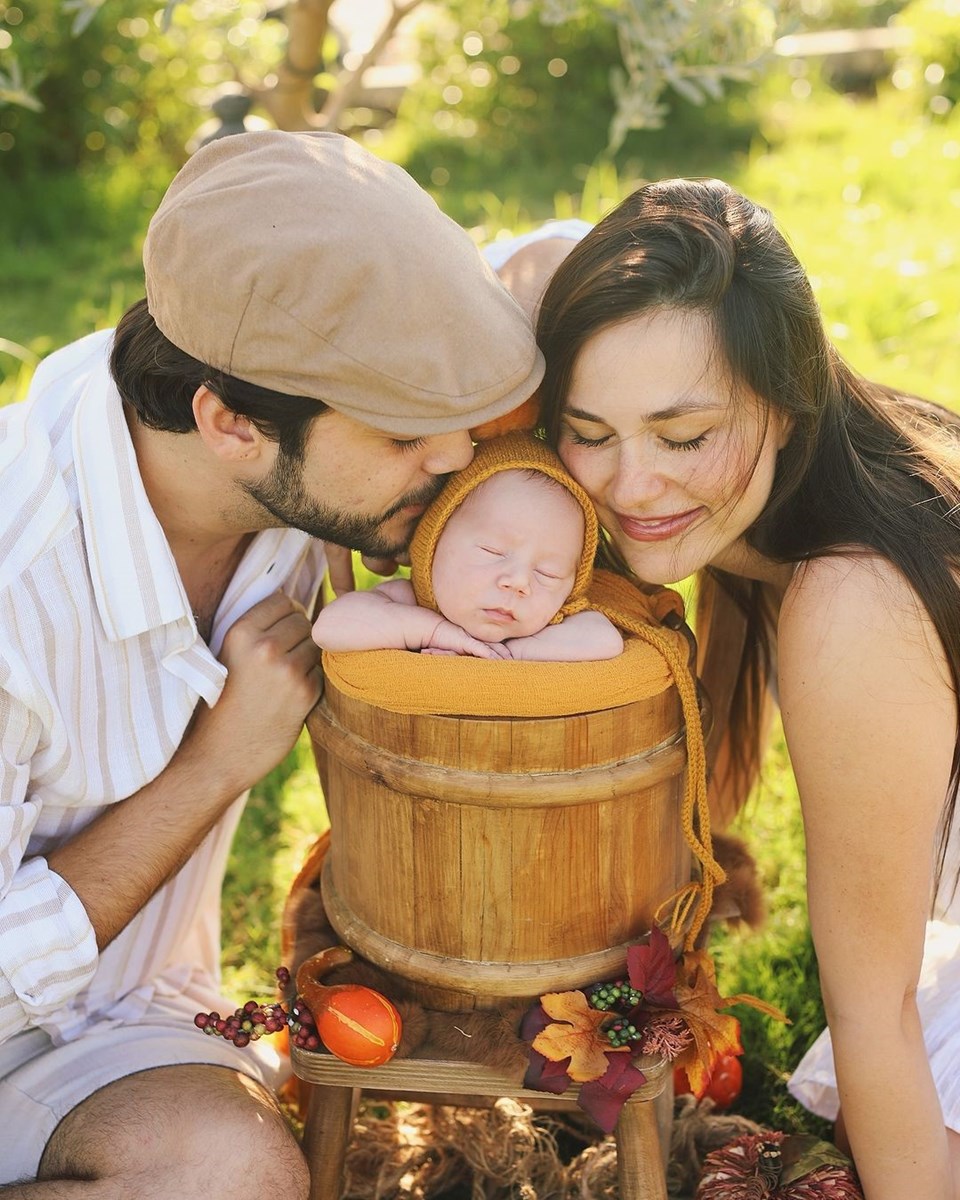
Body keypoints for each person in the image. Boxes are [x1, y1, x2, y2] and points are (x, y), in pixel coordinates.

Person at [0, 131, 544, 1197]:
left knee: (234, 1175)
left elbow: (540, 268)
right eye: (401, 433)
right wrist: (214, 766)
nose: (451, 460)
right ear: (231, 421)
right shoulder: (16, 582)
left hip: (109, 1027)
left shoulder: (289, 478)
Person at [498, 179, 960, 1200]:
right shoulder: (813, 492)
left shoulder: (851, 603)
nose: (629, 485)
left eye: (682, 435)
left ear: (785, 400)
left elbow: (874, 1008)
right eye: (589, 430)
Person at [311, 434, 623, 662]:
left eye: (549, 574)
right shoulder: (410, 603)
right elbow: (330, 627)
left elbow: (605, 640)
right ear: (433, 541)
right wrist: (435, 633)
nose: (518, 583)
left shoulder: (548, 625)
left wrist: (506, 652)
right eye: (491, 551)